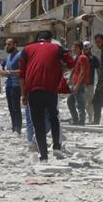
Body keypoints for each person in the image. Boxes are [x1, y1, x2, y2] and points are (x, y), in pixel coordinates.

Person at [19, 30, 74, 162]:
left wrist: (23, 95)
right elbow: (72, 63)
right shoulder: (57, 48)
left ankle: (43, 155)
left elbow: (22, 74)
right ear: (50, 39)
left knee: (38, 123)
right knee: (53, 117)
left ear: (38, 39)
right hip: (50, 89)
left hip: (33, 90)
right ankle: (56, 147)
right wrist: (60, 70)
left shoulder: (26, 49)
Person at [0, 38, 23, 134]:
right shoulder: (8, 56)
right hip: (8, 84)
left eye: (9, 44)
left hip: (16, 85)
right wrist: (3, 71)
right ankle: (14, 127)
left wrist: (9, 72)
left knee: (16, 107)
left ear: (15, 44)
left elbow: (22, 70)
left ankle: (18, 129)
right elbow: (4, 66)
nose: (7, 46)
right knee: (10, 107)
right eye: (6, 44)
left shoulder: (20, 55)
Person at [68, 41, 90, 126]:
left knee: (80, 103)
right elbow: (73, 69)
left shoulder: (82, 57)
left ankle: (81, 121)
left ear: (79, 49)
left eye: (74, 47)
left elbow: (82, 72)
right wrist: (69, 79)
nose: (72, 49)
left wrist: (77, 85)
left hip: (79, 84)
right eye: (73, 47)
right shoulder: (77, 57)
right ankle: (76, 120)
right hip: (75, 83)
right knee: (70, 101)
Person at [83, 41, 98, 122]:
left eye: (87, 49)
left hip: (90, 84)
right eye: (84, 49)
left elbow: (98, 68)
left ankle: (90, 118)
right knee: (82, 101)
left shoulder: (93, 58)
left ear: (90, 49)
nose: (86, 50)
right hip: (81, 83)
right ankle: (82, 117)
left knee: (90, 101)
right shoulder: (80, 57)